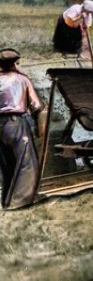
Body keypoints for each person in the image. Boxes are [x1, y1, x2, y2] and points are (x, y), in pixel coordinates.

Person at [0, 48, 44, 210]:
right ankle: (21, 202)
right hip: (15, 122)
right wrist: (40, 129)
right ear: (14, 63)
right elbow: (36, 106)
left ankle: (6, 201)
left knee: (7, 165)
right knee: (27, 163)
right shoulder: (22, 79)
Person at [52, 0, 93, 65]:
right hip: (65, 22)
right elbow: (69, 21)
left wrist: (84, 29)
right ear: (85, 9)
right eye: (89, 12)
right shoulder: (75, 9)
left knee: (78, 39)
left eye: (91, 12)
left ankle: (79, 55)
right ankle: (63, 54)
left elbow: (87, 27)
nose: (90, 13)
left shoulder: (88, 15)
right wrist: (80, 17)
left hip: (76, 25)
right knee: (64, 38)